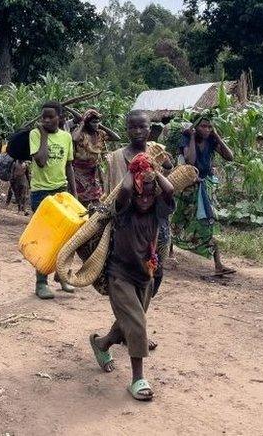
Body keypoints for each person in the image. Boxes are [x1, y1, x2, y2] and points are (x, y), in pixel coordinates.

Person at [89, 153, 174, 402]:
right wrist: (134, 169)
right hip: (120, 276)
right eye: (141, 193)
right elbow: (126, 190)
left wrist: (153, 171)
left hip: (144, 276)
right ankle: (138, 379)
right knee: (137, 324)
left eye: (150, 193)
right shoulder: (124, 210)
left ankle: (101, 344)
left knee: (128, 324)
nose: (145, 198)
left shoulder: (157, 211)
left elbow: (168, 191)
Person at [105, 110, 173, 299]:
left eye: (142, 126)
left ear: (150, 129)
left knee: (157, 268)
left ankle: (136, 311)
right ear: (127, 130)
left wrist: (157, 160)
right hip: (128, 221)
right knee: (129, 268)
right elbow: (113, 190)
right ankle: (130, 316)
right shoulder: (117, 157)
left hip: (156, 220)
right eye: (132, 127)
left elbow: (170, 169)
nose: (137, 131)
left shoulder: (156, 150)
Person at [172, 114, 235, 276]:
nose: (206, 129)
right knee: (178, 219)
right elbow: (190, 161)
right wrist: (192, 137)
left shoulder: (211, 141)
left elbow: (230, 157)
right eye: (203, 126)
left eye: (209, 127)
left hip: (202, 188)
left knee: (206, 222)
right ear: (195, 127)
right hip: (186, 188)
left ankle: (218, 265)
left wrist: (218, 137)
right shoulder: (185, 139)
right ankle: (169, 252)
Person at [29, 101, 76, 299]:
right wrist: (45, 135)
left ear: (61, 117)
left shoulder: (66, 137)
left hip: (61, 191)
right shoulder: (36, 134)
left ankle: (62, 275)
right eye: (44, 117)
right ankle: (41, 283)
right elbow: (40, 161)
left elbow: (69, 166)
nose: (46, 120)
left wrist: (74, 193)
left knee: (66, 237)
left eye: (50, 116)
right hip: (41, 192)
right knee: (46, 239)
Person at [71, 109, 120, 207]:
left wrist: (101, 126)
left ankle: (94, 218)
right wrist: (82, 124)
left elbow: (116, 137)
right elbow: (74, 138)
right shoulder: (81, 134)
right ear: (87, 123)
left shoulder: (100, 134)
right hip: (79, 172)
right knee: (81, 200)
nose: (96, 124)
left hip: (94, 171)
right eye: (93, 122)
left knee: (97, 198)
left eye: (98, 122)